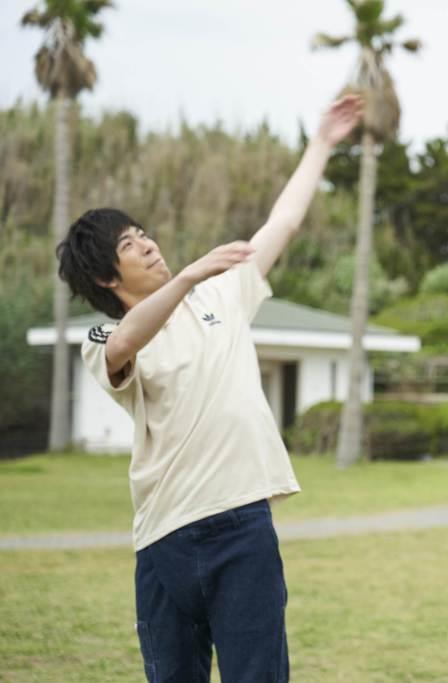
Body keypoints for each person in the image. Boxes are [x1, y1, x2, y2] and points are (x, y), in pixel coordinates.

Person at [56, 96, 363, 682]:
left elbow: (283, 222)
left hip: (243, 525)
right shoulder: (104, 335)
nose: (149, 244)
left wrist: (322, 143)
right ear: (104, 276)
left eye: (143, 234)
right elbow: (126, 343)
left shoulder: (222, 295)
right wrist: (193, 273)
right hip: (164, 536)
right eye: (129, 245)